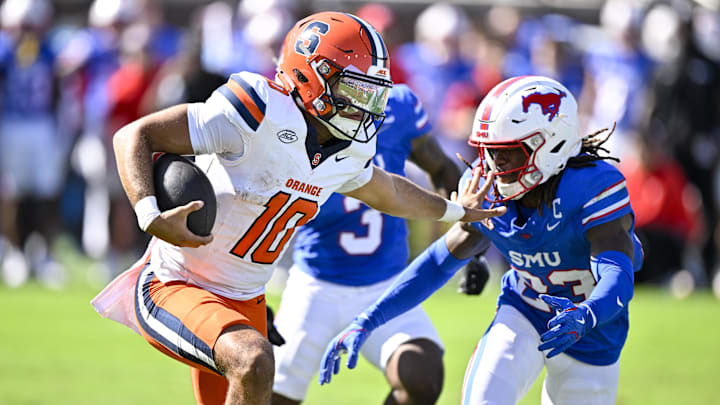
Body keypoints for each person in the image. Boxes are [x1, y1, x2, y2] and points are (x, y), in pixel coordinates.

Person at [90, 11, 505, 405]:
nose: (365, 105)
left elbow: (391, 193)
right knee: (253, 361)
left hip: (246, 298)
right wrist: (149, 215)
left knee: (252, 373)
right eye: (354, 89)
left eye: (370, 92)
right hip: (177, 282)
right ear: (312, 78)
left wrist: (458, 212)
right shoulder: (256, 109)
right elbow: (135, 135)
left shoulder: (346, 149)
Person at [320, 76, 644, 405]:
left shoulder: (592, 186)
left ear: (550, 144)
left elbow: (617, 276)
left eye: (507, 153)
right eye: (488, 151)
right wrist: (370, 318)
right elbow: (437, 263)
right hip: (525, 311)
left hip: (593, 332)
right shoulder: (486, 190)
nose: (492, 164)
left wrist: (587, 314)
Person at [271, 83, 461, 405]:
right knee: (269, 391)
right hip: (316, 286)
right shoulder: (298, 116)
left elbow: (441, 165)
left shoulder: (397, 106)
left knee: (422, 374)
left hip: (385, 288)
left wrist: (471, 244)